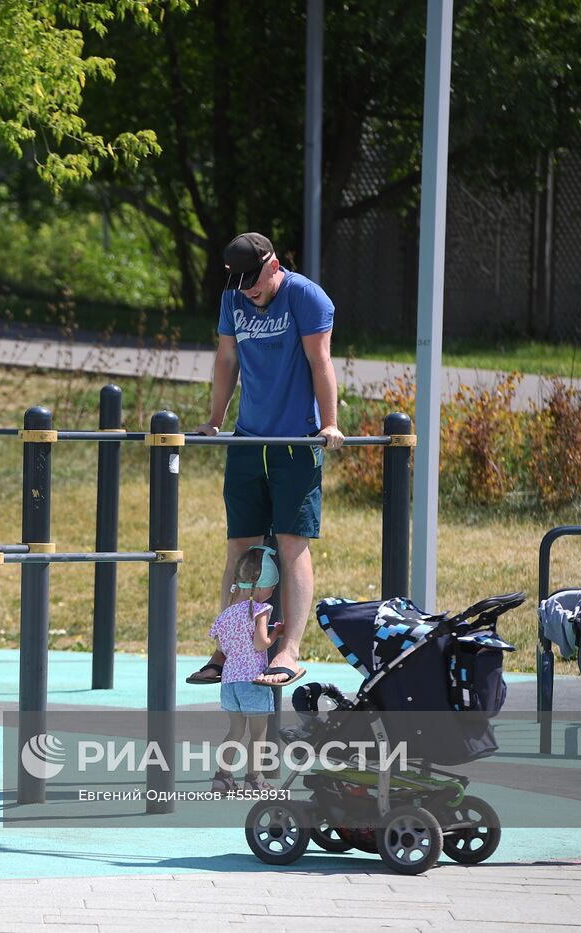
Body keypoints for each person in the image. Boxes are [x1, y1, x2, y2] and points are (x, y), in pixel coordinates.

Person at [189, 232, 343, 689]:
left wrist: (329, 423)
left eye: (254, 283)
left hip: (296, 441)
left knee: (292, 543)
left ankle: (289, 651)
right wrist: (215, 421)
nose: (249, 292)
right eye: (241, 285)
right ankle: (229, 647)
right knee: (241, 544)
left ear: (274, 265)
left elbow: (321, 361)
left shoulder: (306, 297)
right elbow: (226, 358)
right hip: (247, 442)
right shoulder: (233, 297)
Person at [208, 545, 282, 792]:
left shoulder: (227, 613)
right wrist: (276, 633)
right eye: (272, 586)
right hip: (253, 680)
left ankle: (222, 777)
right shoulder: (260, 610)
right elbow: (261, 644)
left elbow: (221, 645)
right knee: (258, 734)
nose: (273, 591)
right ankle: (255, 778)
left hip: (230, 681)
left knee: (235, 731)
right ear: (260, 586)